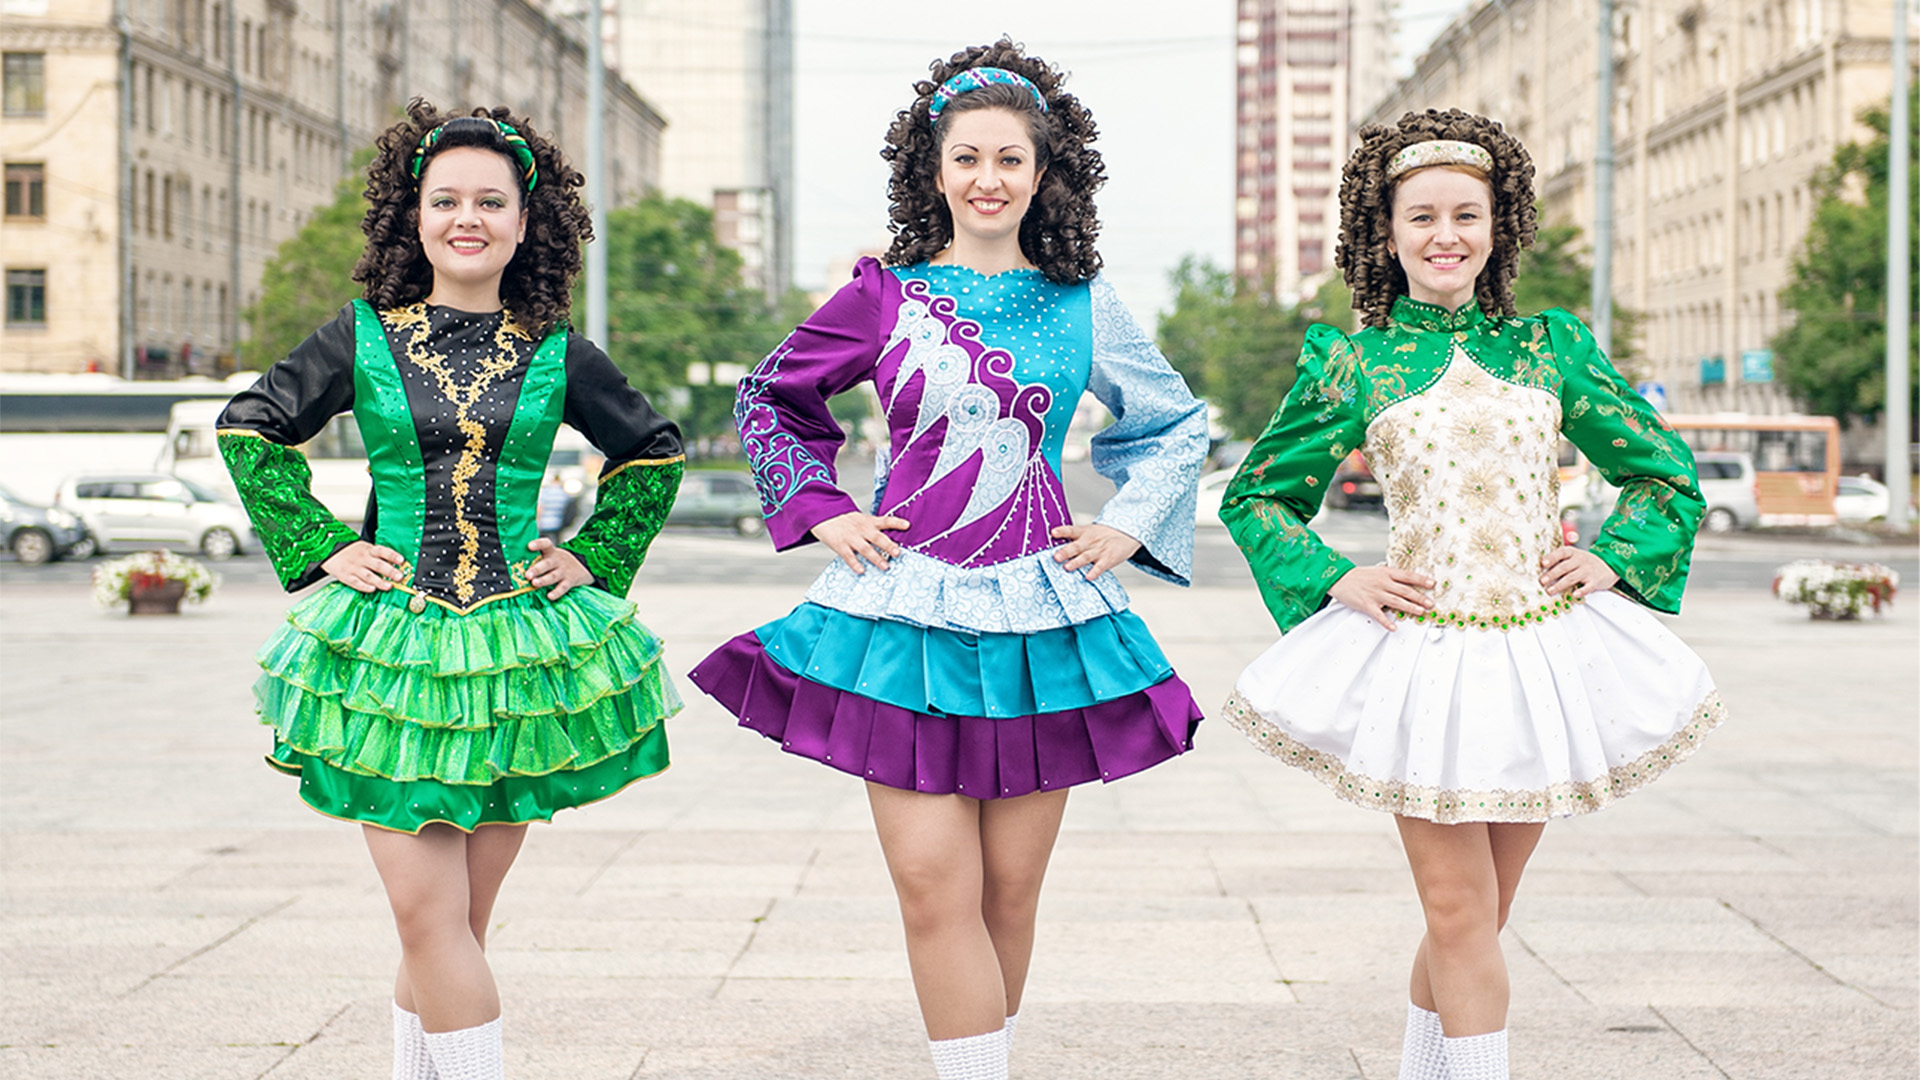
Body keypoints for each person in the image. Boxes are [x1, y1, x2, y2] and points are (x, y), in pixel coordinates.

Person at [688, 40, 1208, 1080]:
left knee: (1007, 895)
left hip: (1043, 618)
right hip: (901, 612)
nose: (987, 179)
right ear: (933, 170)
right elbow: (771, 395)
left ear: (1043, 173)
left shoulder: (1085, 301)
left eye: (1010, 159)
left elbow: (1174, 421)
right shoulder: (886, 296)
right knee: (934, 884)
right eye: (966, 157)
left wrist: (1130, 523)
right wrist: (823, 508)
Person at [1219, 109, 1725, 1080]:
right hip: (1428, 656)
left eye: (1466, 215)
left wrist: (1615, 558)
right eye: (1422, 217)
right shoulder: (1352, 361)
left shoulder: (1553, 347)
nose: (1445, 235)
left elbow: (1665, 474)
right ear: (1387, 230)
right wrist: (1336, 575)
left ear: (1499, 228)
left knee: (1482, 912)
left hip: (1541, 654)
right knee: (1456, 912)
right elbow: (1259, 497)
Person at [216, 101, 684, 1080]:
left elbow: (653, 451)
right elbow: (248, 426)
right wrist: (322, 548)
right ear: (413, 217)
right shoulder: (361, 337)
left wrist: (595, 555)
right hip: (390, 655)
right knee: (426, 916)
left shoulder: (558, 350)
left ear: (525, 222)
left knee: (455, 925)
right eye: (445, 201)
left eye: (490, 202)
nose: (466, 218)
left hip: (518, 659)